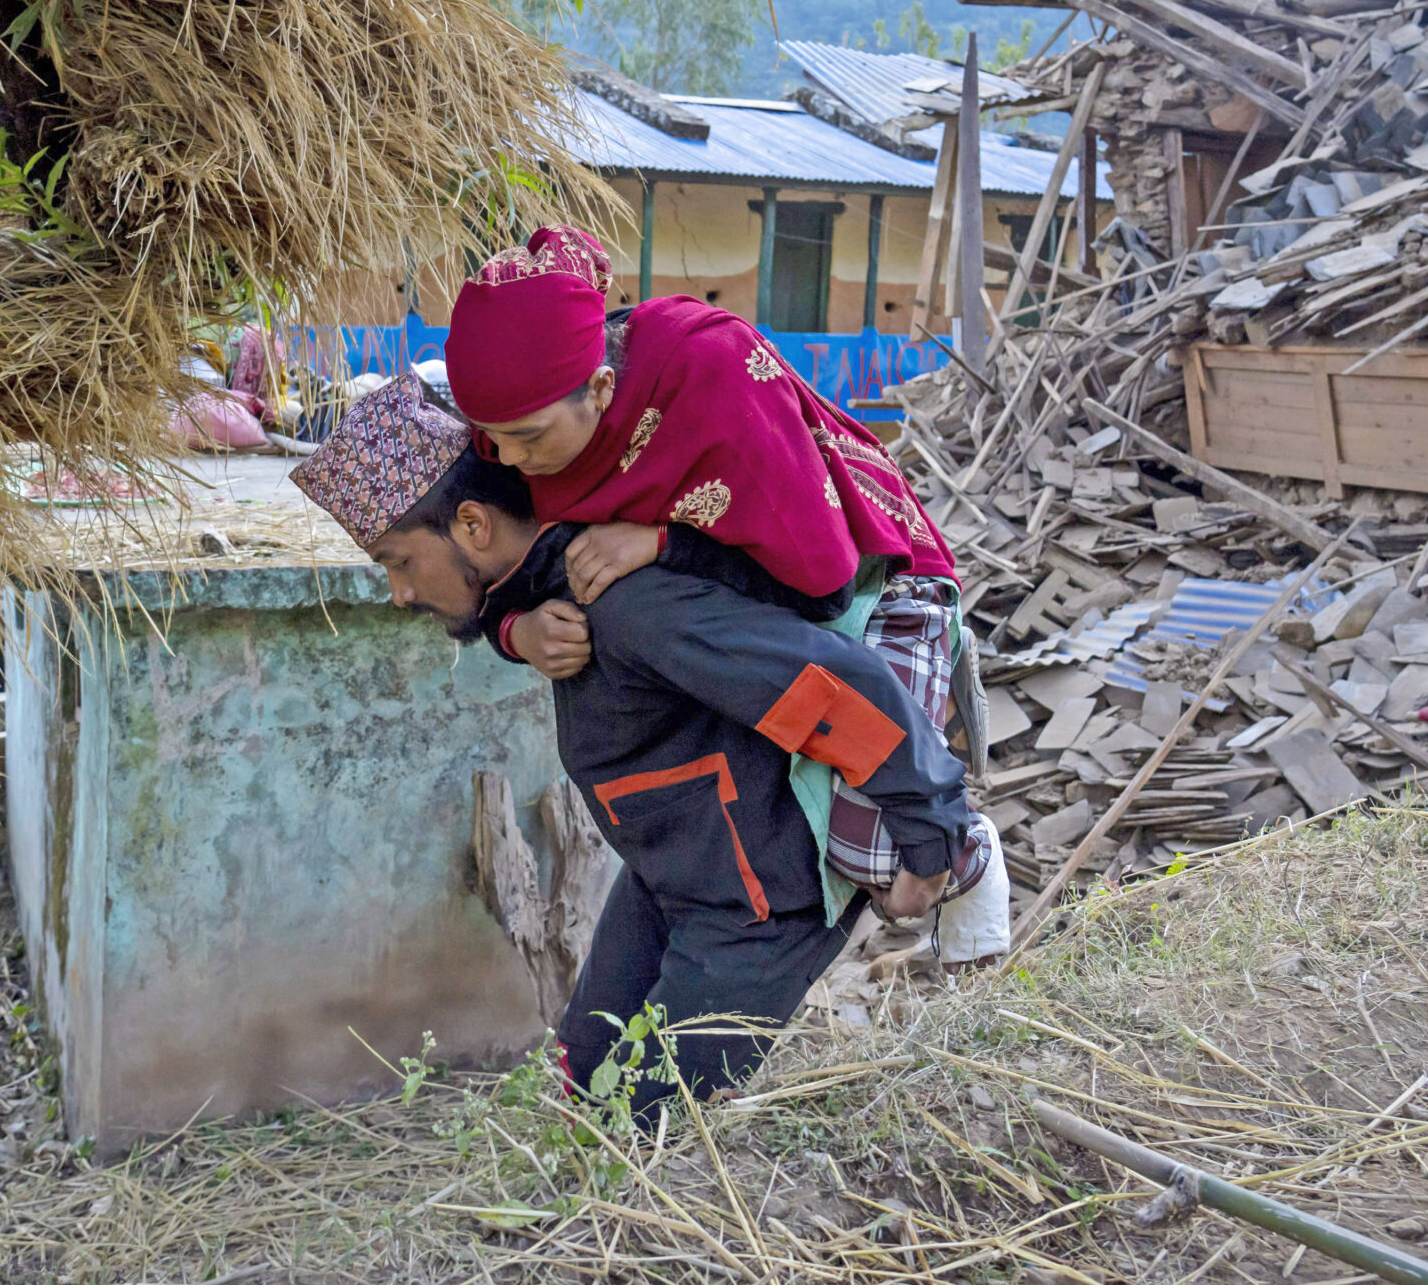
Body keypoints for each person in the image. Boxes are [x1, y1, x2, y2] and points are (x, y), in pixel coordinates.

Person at [291, 375, 982, 1116]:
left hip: (758, 904)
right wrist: (514, 633)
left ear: (471, 524)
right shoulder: (545, 588)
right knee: (576, 1085)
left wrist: (931, 836)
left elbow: (839, 688)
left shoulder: (630, 606)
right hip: (673, 873)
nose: (398, 591)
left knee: (642, 1124)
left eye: (397, 560)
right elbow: (503, 608)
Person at [442, 225, 1006, 964]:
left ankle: (971, 851)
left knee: (872, 849)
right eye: (492, 440)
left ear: (603, 391)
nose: (510, 460)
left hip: (868, 586)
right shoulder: (518, 430)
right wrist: (517, 630)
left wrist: (661, 542)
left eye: (525, 438)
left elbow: (819, 577)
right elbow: (502, 572)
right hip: (741, 628)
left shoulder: (712, 371)